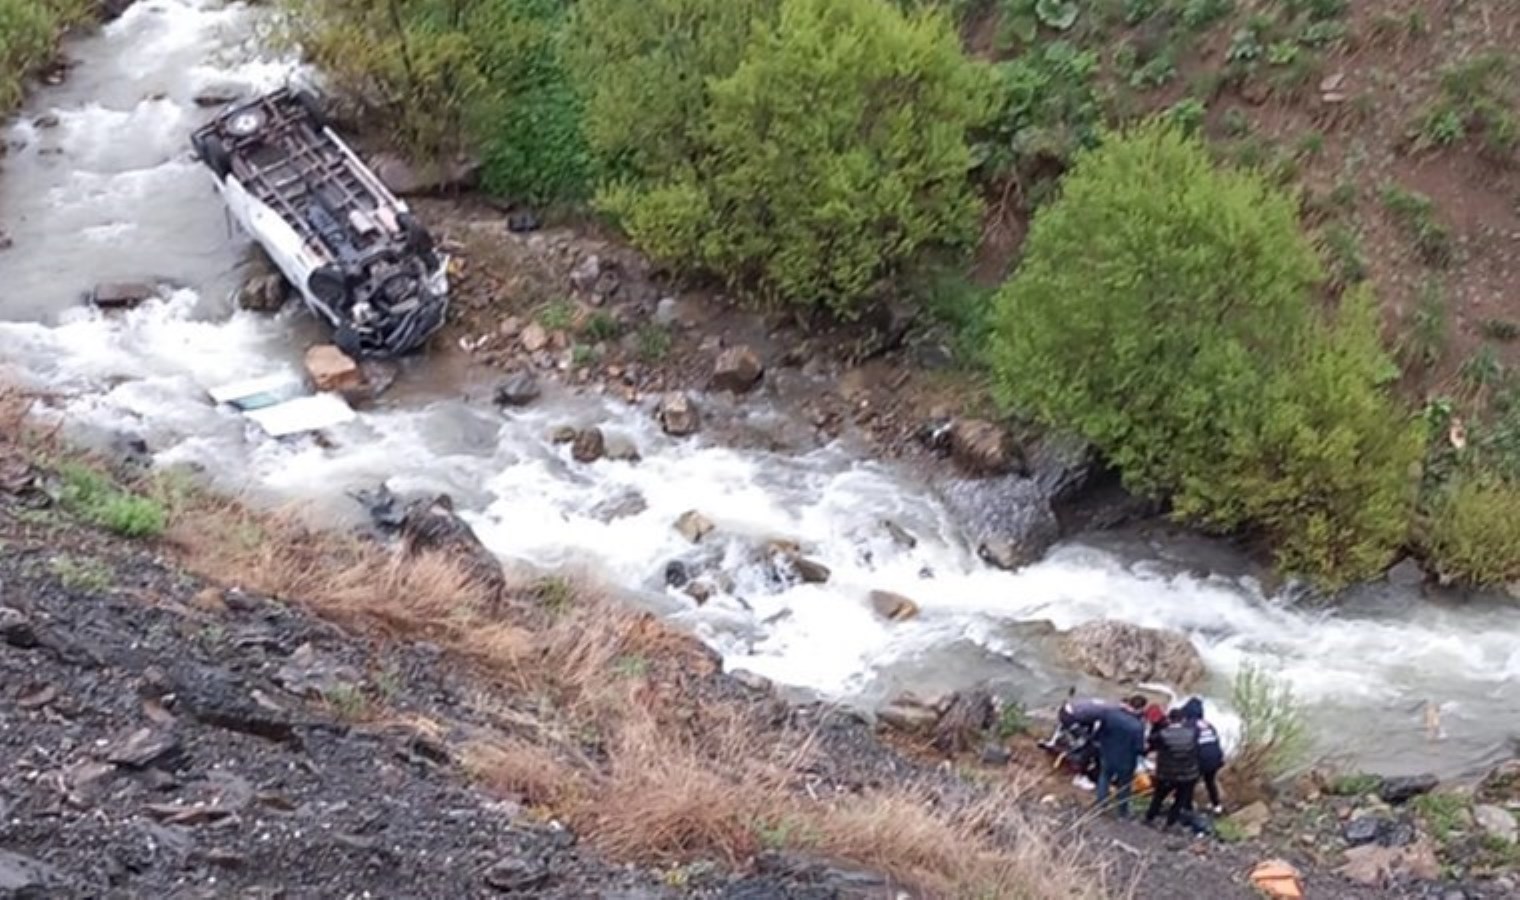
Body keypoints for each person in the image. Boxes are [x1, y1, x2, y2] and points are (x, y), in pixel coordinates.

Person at [1068, 696, 1146, 819]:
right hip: (1126, 761)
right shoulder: (1137, 726)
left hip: (1107, 754)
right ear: (1141, 708)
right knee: (1124, 786)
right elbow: (1139, 748)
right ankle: (1122, 812)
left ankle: (1101, 804)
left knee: (1104, 778)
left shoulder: (1111, 715)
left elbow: (1100, 732)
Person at [1146, 708, 1201, 830]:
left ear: (1169, 719)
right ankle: (1170, 823)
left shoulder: (1162, 734)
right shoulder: (1193, 733)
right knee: (1179, 800)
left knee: (1159, 797)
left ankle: (1150, 818)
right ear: (1183, 720)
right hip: (1188, 774)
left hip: (1167, 774)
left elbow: (1151, 742)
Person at [1181, 697, 1225, 814]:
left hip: (1201, 760)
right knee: (1210, 781)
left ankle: (1187, 806)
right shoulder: (1208, 725)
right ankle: (1217, 805)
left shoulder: (1189, 725)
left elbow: (1188, 745)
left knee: (1189, 782)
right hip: (1215, 759)